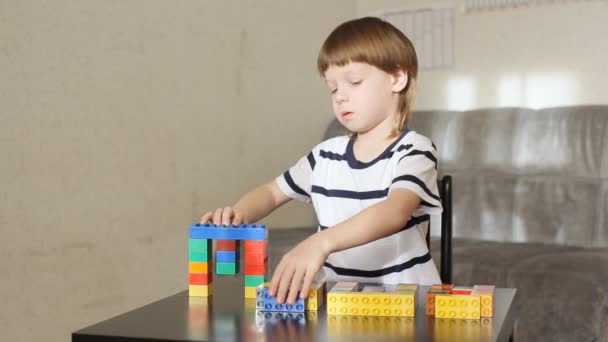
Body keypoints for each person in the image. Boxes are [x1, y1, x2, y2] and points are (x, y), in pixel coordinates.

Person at [200, 16, 442, 305]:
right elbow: (271, 192)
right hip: (339, 305)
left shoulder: (414, 150)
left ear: (397, 79)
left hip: (407, 307)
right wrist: (237, 215)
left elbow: (393, 212)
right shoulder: (326, 155)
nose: (340, 96)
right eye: (333, 88)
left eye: (354, 81)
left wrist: (320, 244)